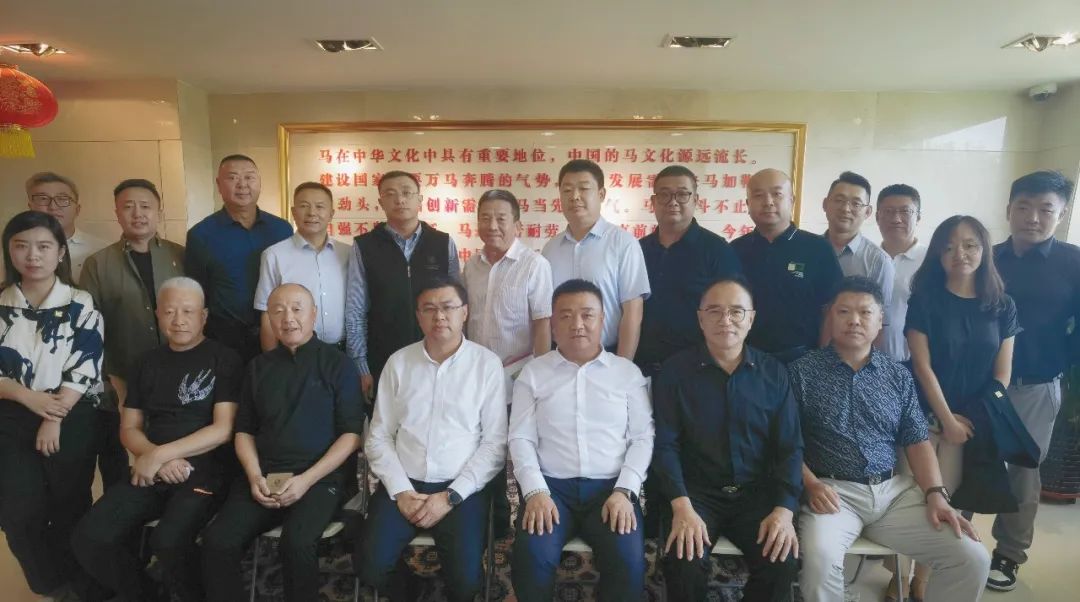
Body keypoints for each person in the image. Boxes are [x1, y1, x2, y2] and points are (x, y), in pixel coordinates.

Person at [791, 276, 990, 602]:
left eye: (865, 312)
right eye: (844, 312)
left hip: (892, 494)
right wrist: (811, 484)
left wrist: (936, 494)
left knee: (972, 558)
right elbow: (784, 442)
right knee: (820, 563)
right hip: (831, 493)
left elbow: (917, 439)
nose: (855, 320)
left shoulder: (897, 375)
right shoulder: (801, 372)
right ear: (830, 316)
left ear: (880, 320)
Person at [72, 277, 241, 602]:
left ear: (204, 316)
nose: (179, 320)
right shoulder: (145, 362)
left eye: (188, 311)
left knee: (168, 541)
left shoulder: (224, 359)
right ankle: (146, 593)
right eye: (170, 311)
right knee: (89, 538)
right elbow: (129, 428)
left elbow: (223, 430)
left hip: (206, 471)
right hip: (151, 470)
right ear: (158, 315)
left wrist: (159, 455)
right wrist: (154, 458)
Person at [201, 283, 363, 602]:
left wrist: (306, 480)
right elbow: (244, 431)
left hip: (319, 479)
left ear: (314, 314)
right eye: (278, 310)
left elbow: (351, 435)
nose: (288, 318)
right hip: (264, 477)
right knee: (218, 541)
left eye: (297, 309)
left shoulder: (339, 364)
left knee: (297, 543)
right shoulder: (257, 367)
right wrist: (254, 477)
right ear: (269, 320)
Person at [357, 278, 507, 602]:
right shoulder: (399, 363)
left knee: (466, 583)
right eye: (430, 309)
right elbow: (379, 436)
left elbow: (495, 445)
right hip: (405, 483)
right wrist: (401, 491)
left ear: (464, 312)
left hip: (461, 488)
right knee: (370, 567)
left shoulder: (487, 365)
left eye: (448, 307)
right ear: (418, 316)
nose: (439, 316)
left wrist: (451, 496)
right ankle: (412, 589)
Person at [654, 276, 801, 602]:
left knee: (781, 560)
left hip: (755, 494)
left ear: (751, 318)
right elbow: (665, 445)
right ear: (700, 318)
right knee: (683, 561)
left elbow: (790, 448)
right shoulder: (674, 372)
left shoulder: (774, 373)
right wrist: (681, 505)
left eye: (736, 311)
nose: (726, 320)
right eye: (715, 311)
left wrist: (784, 510)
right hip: (695, 495)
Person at [510, 279, 654, 602]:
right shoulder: (533, 374)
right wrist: (535, 491)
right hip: (552, 490)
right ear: (553, 324)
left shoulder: (626, 373)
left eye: (587, 315)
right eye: (566, 316)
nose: (577, 324)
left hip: (610, 490)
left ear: (603, 320)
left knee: (628, 563)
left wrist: (624, 491)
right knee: (531, 559)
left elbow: (643, 438)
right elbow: (520, 438)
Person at [903, 215, 1018, 600]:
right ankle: (900, 576)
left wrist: (972, 417)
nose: (960, 254)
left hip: (971, 420)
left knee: (948, 502)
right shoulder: (925, 300)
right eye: (949, 246)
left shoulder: (1002, 305)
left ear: (984, 250)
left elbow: (1002, 373)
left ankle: (923, 579)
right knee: (913, 498)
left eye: (970, 245)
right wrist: (945, 418)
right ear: (938, 253)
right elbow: (922, 366)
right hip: (922, 417)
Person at [0, 210, 104, 602]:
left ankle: (84, 586)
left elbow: (85, 366)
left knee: (70, 507)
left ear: (61, 252)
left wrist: (53, 416)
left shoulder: (79, 302)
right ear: (9, 251)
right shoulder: (1, 303)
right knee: (17, 512)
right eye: (22, 246)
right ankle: (53, 587)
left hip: (71, 416)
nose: (33, 255)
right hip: (11, 416)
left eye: (44, 246)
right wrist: (30, 398)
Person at [988, 170, 1080, 591]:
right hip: (980, 383)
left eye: (1046, 209)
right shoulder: (986, 257)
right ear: (1009, 209)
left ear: (1061, 214)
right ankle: (955, 543)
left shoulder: (1073, 263)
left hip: (1036, 384)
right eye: (1023, 207)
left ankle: (1009, 554)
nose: (1033, 218)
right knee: (967, 462)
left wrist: (1065, 367)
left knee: (1023, 472)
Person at [80, 179, 185, 490]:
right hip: (124, 375)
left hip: (179, 371)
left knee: (176, 443)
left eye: (145, 206)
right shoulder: (98, 264)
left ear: (159, 211)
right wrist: (107, 377)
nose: (138, 214)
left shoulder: (181, 256)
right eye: (128, 207)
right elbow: (89, 328)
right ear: (117, 213)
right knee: (129, 451)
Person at [461, 188, 553, 538]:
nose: (492, 225)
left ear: (517, 224)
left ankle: (532, 515)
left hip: (520, 373)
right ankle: (495, 518)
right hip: (479, 376)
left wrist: (540, 377)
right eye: (485, 217)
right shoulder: (471, 266)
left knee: (524, 445)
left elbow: (543, 324)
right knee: (484, 445)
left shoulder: (534, 265)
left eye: (501, 218)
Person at [344, 170, 461, 401]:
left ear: (420, 199)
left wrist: (457, 356)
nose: (400, 200)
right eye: (391, 194)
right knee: (388, 418)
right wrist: (361, 365)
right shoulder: (365, 246)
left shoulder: (443, 243)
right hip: (383, 356)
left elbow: (457, 305)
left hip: (437, 355)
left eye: (407, 193)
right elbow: (355, 309)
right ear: (381, 202)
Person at [636, 165, 742, 377]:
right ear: (653, 202)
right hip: (641, 367)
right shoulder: (637, 249)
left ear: (696, 200)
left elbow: (730, 310)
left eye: (682, 194)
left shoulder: (717, 250)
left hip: (697, 371)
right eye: (664, 194)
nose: (673, 202)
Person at [185, 155, 292, 362]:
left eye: (249, 177)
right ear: (219, 184)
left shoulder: (281, 229)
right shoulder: (201, 235)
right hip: (224, 340)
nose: (242, 184)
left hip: (278, 334)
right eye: (233, 177)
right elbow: (196, 292)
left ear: (259, 182)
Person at [731, 169, 843, 363]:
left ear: (792, 200)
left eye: (777, 194)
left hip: (803, 359)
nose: (768, 202)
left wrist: (822, 359)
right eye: (758, 195)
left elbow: (832, 307)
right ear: (748, 204)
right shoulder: (735, 250)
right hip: (746, 359)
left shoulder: (818, 248)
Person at [542, 160, 650, 359]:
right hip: (559, 358)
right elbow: (544, 311)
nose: (574, 196)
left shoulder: (623, 243)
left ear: (601, 194)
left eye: (583, 188)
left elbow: (633, 312)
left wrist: (622, 365)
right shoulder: (550, 249)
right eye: (567, 190)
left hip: (608, 355)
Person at [254, 181, 349, 350]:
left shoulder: (347, 253)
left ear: (331, 214)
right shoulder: (274, 255)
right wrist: (271, 360)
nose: (312, 213)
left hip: (342, 350)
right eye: (304, 206)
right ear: (293, 212)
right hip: (294, 351)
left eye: (320, 206)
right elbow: (267, 313)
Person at [821, 171, 895, 347]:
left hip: (850, 355)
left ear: (867, 212)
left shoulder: (879, 261)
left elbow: (880, 323)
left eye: (856, 203)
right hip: (802, 352)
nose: (846, 209)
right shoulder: (807, 250)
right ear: (825, 204)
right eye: (839, 200)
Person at [25, 171, 109, 281]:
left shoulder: (101, 251)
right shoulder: (13, 250)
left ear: (77, 210)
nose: (53, 207)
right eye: (43, 199)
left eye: (62, 199)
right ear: (30, 208)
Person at [876, 184, 927, 363]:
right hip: (866, 363)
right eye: (888, 211)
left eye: (905, 211)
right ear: (877, 217)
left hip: (916, 364)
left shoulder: (932, 261)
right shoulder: (868, 258)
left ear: (918, 217)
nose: (896, 219)